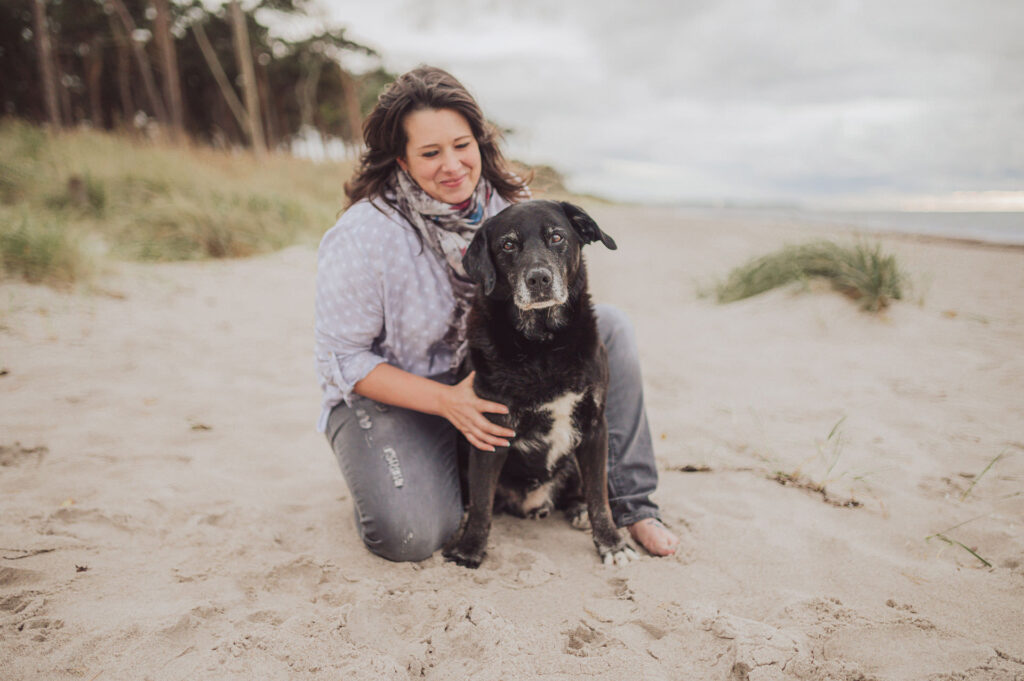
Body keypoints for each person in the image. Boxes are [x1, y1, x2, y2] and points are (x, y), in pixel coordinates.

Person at [314, 66, 678, 563]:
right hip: (396, 400)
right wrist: (446, 402)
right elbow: (344, 359)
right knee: (409, 535)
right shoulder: (363, 235)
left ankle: (633, 504)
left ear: (480, 142)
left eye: (461, 145)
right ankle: (397, 478)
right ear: (402, 159)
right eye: (430, 152)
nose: (452, 165)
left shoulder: (512, 208)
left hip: (489, 386)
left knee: (610, 326)